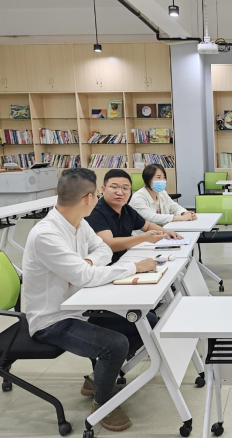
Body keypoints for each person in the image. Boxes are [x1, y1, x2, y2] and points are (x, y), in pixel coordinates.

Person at [23, 168, 159, 432]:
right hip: (52, 320)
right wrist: (133, 267)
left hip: (80, 307)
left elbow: (103, 249)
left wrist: (86, 261)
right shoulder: (46, 234)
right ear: (88, 198)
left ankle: (98, 379)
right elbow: (86, 277)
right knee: (115, 344)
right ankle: (102, 404)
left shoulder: (79, 223)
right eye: (96, 194)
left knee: (147, 320)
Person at [85, 169, 182, 264]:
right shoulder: (95, 212)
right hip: (104, 266)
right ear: (103, 189)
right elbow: (109, 244)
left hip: (125, 259)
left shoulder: (126, 209)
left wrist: (167, 232)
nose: (120, 192)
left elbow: (147, 226)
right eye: (114, 187)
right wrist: (143, 238)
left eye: (125, 188)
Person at [129, 164, 197, 226]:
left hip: (162, 230)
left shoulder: (162, 193)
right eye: (158, 177)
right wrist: (181, 218)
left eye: (164, 177)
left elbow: (174, 207)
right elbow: (152, 217)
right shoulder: (138, 197)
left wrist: (185, 213)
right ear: (148, 179)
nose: (162, 180)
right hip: (142, 234)